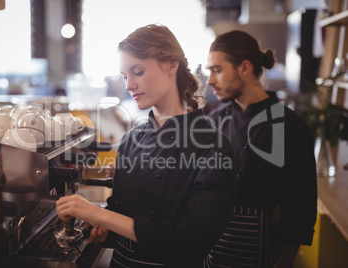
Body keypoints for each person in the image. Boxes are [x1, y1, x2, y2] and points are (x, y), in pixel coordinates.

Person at [56, 24, 236, 267]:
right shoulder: (132, 139)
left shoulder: (212, 145)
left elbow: (194, 241)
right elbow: (122, 217)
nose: (129, 85)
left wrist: (101, 214)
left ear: (171, 65)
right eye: (124, 77)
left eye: (137, 72)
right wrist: (104, 229)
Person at [204, 30, 317, 268]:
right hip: (211, 245)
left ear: (244, 68)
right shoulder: (213, 122)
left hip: (261, 249)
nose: (210, 81)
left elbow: (300, 201)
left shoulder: (287, 125)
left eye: (217, 70)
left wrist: (286, 258)